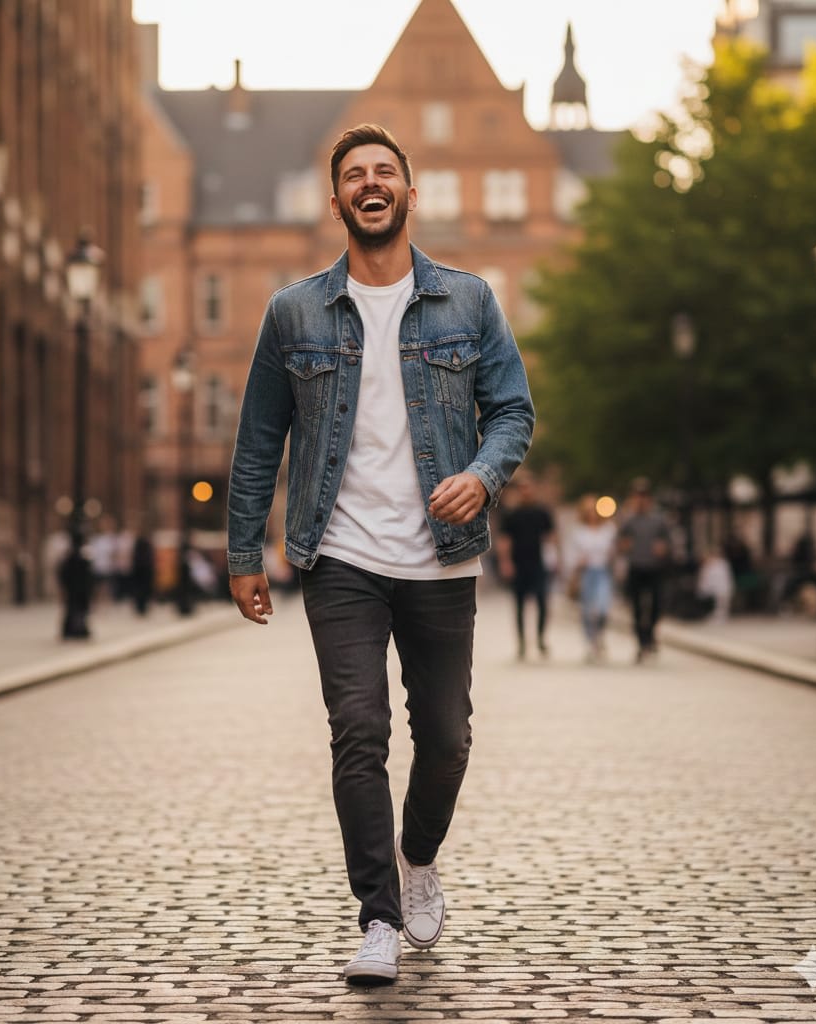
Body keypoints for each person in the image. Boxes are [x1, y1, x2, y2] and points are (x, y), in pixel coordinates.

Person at [226, 124, 534, 984]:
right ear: (336, 202)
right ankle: (378, 917)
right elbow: (258, 441)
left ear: (408, 192)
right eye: (355, 175)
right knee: (358, 732)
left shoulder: (469, 300)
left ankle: (418, 855)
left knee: (446, 739)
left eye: (384, 172)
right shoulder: (294, 312)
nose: (371, 183)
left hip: (442, 558)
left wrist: (482, 475)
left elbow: (514, 410)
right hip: (340, 557)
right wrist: (244, 551)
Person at [495, 473, 556, 659]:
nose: (526, 492)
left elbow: (551, 537)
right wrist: (505, 562)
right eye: (522, 489)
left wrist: (555, 558)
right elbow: (504, 540)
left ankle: (540, 638)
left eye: (528, 488)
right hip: (519, 564)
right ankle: (521, 642)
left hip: (539, 563)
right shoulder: (511, 515)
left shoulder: (542, 512)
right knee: (519, 605)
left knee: (542, 603)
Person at [617, 477, 671, 662]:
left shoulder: (659, 520)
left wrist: (663, 548)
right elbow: (620, 542)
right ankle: (642, 642)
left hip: (654, 567)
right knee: (637, 608)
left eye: (644, 496)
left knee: (656, 605)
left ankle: (650, 634)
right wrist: (624, 545)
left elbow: (667, 541)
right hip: (636, 567)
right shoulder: (628, 520)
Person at [565, 494, 617, 662]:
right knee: (587, 611)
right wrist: (575, 566)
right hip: (585, 573)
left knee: (602, 608)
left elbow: (615, 551)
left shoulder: (609, 529)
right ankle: (590, 641)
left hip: (602, 571)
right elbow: (571, 554)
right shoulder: (579, 531)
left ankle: (599, 635)